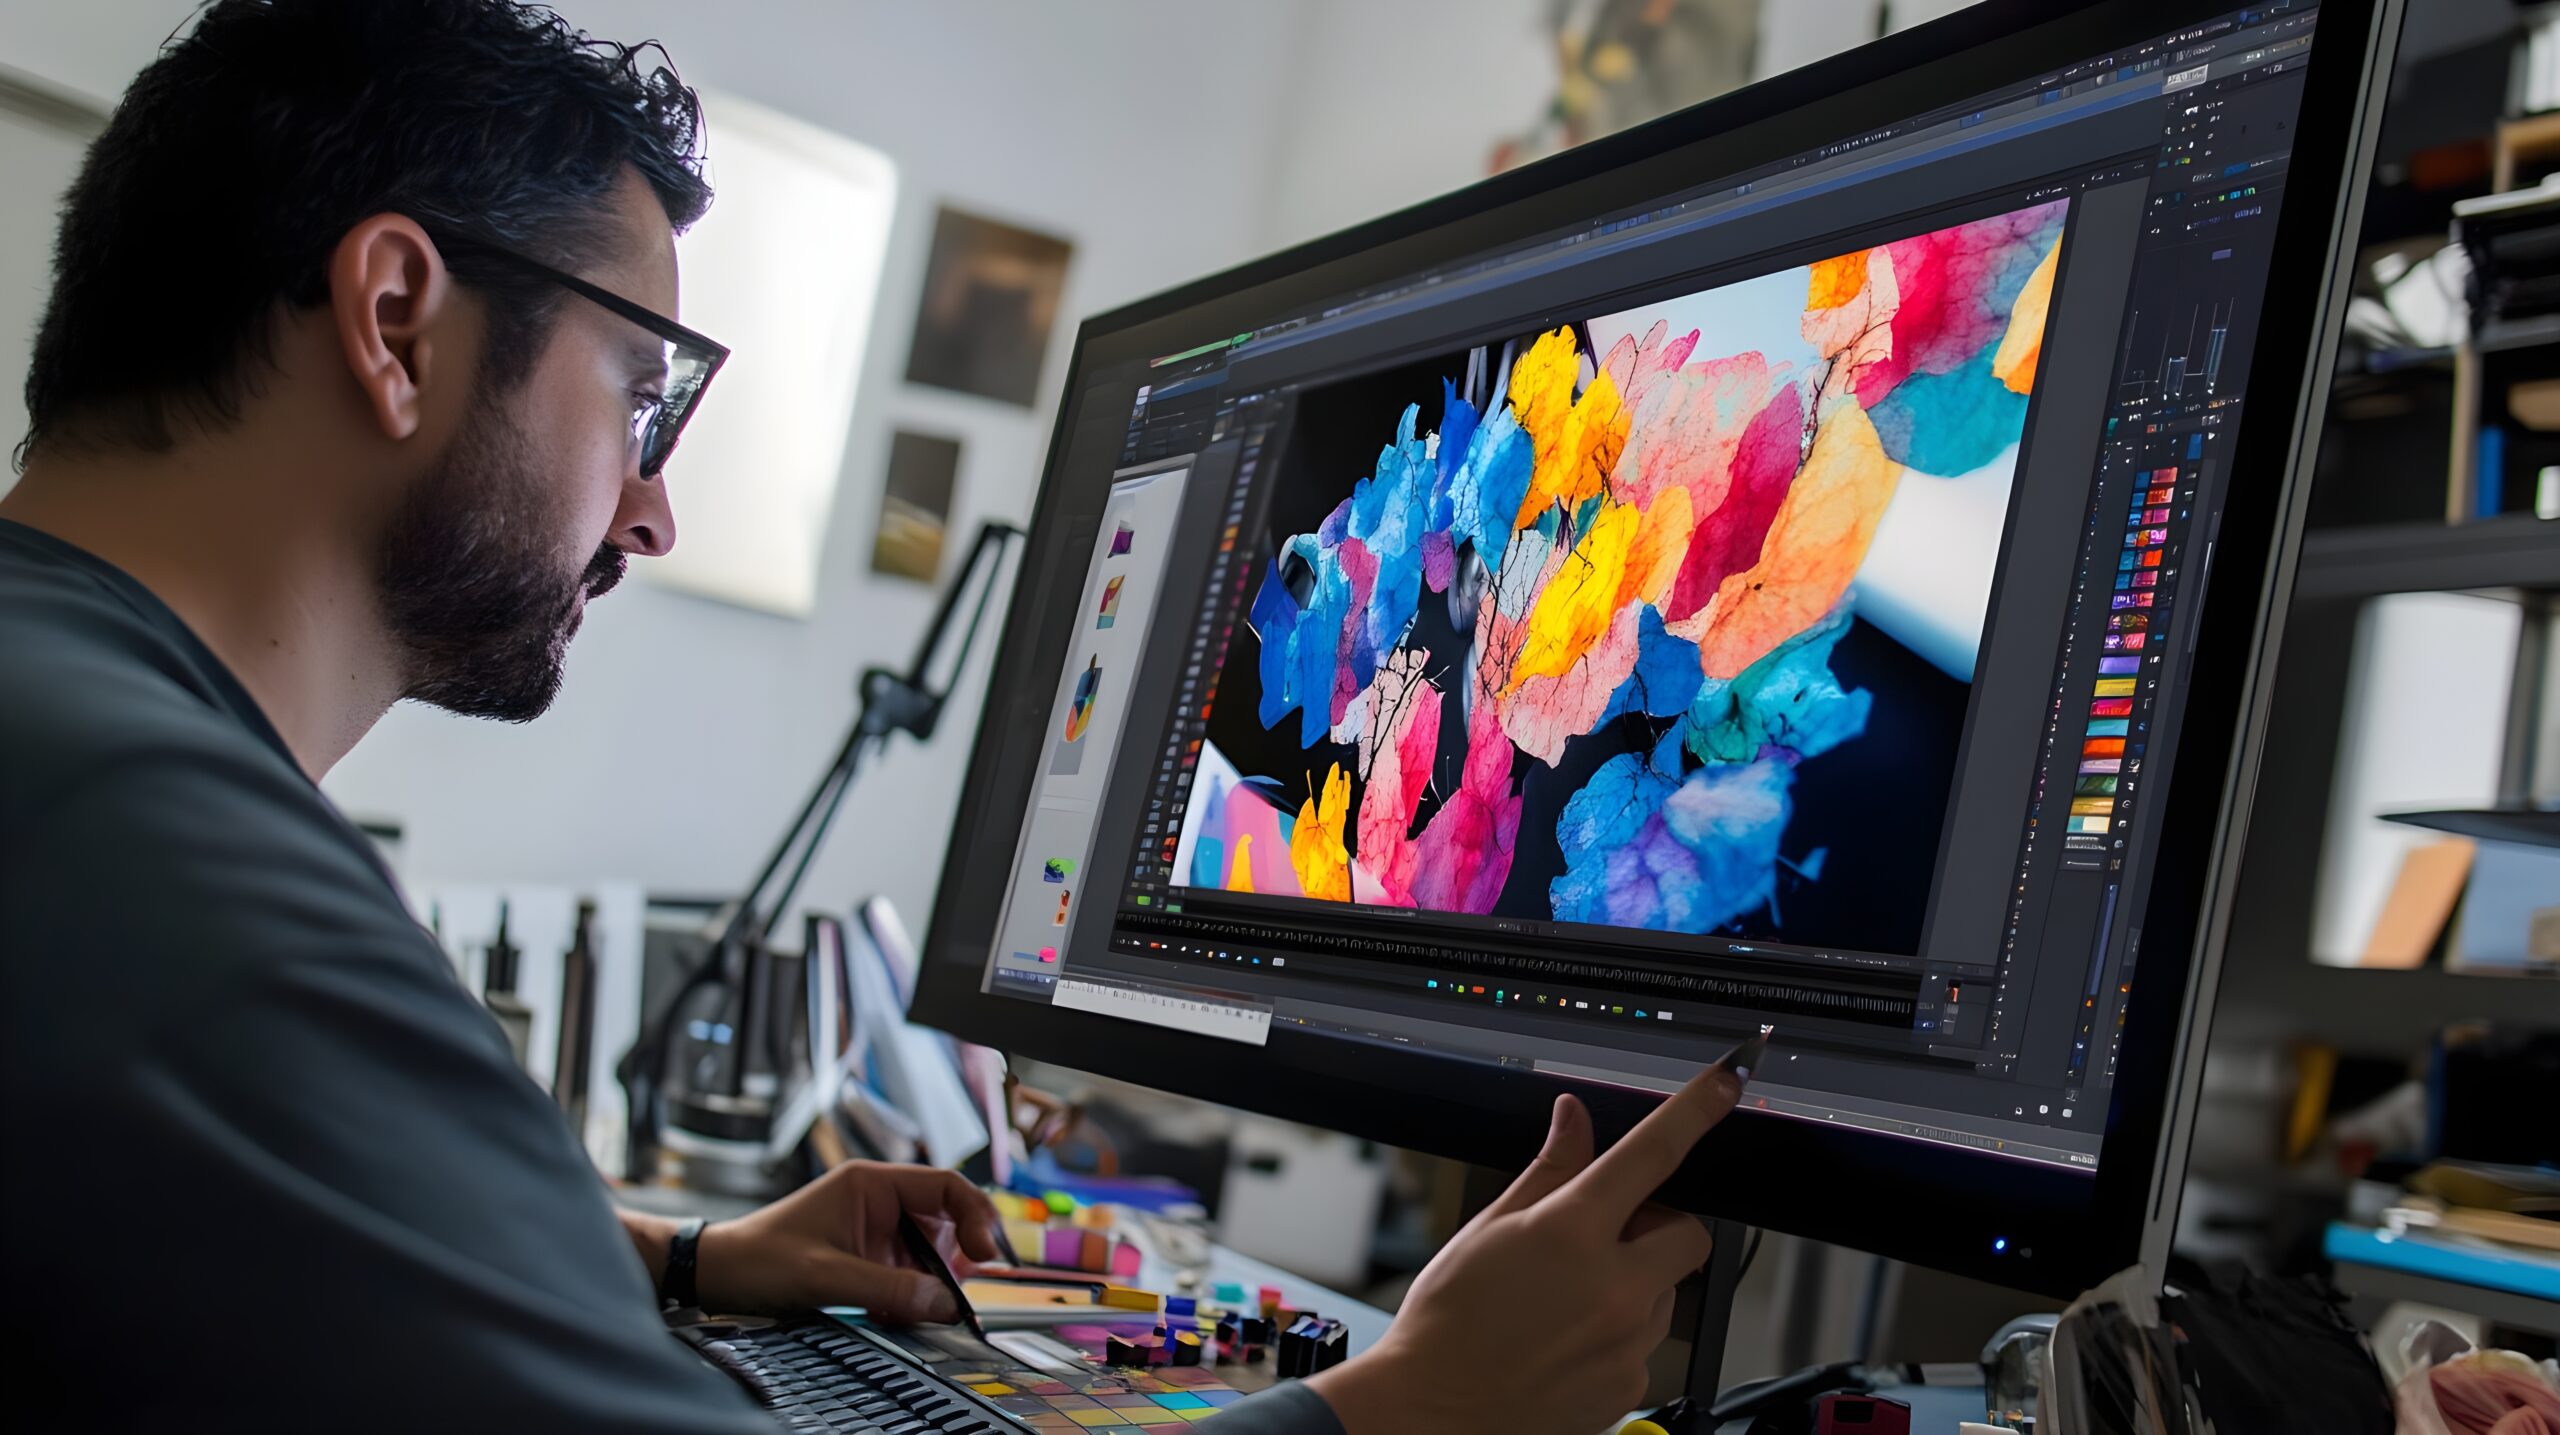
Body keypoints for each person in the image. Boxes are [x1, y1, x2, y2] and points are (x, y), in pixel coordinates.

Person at [0, 3, 1748, 1430]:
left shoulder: (88, 771)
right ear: (394, 320)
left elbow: (272, 1228)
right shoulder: (185, 879)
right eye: (641, 392)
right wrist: (1413, 1410)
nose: (649, 508)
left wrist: (684, 1261)